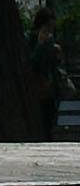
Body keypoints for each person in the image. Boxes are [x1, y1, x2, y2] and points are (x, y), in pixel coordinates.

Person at [30, 9, 70, 139]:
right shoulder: (34, 40)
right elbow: (33, 63)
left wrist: (57, 53)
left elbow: (54, 64)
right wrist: (40, 45)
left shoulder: (50, 41)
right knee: (43, 122)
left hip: (50, 89)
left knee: (50, 120)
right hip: (38, 88)